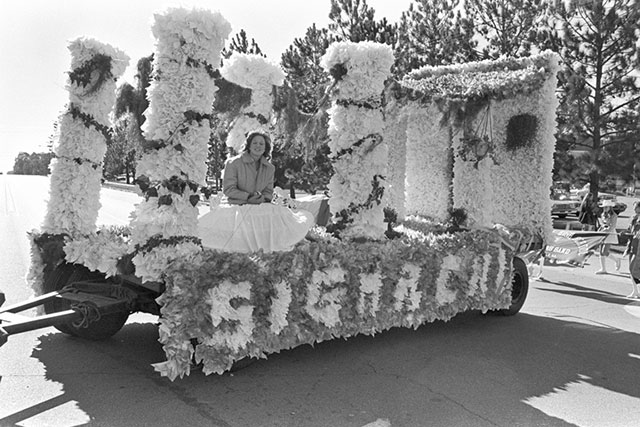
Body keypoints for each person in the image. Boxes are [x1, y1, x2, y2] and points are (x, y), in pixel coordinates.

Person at [197, 131, 314, 253]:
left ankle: (271, 253)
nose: (258, 146)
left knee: (282, 219)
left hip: (260, 205)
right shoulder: (233, 163)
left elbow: (268, 191)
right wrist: (248, 197)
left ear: (265, 148)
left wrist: (261, 198)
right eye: (255, 143)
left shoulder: (269, 168)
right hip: (237, 206)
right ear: (248, 145)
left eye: (261, 144)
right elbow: (228, 189)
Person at [595, 199, 621, 274]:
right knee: (601, 252)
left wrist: (605, 232)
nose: (605, 208)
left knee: (604, 251)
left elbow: (612, 227)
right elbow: (602, 224)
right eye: (604, 207)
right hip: (603, 233)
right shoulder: (603, 214)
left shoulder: (614, 215)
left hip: (610, 234)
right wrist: (600, 230)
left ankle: (616, 260)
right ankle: (603, 269)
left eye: (607, 207)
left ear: (610, 207)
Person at [623, 200, 640, 298]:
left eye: (636, 209)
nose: (634, 211)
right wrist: (624, 233)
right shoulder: (634, 219)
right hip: (633, 246)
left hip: (639, 248)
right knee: (631, 270)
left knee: (634, 269)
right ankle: (635, 291)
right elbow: (630, 230)